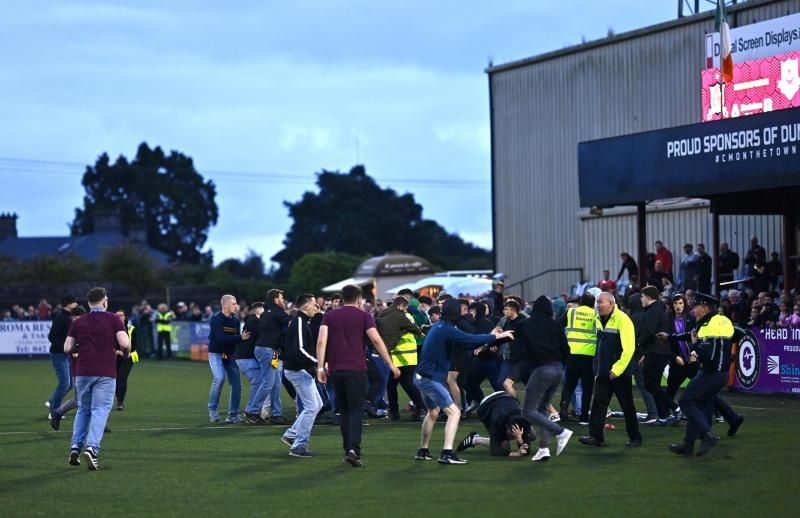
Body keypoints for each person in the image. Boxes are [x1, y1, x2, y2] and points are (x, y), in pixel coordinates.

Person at [413, 299, 513, 465]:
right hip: (430, 379)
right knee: (455, 413)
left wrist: (491, 337)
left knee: (433, 412)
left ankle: (422, 451)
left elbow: (464, 343)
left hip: (421, 376)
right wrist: (496, 336)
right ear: (456, 313)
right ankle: (447, 453)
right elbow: (469, 339)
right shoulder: (447, 329)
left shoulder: (439, 327)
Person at [316, 284, 400, 468]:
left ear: (342, 299)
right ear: (359, 299)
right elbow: (376, 340)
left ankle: (348, 449)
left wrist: (320, 367)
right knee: (355, 410)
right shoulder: (364, 316)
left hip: (336, 371)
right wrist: (390, 363)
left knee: (344, 411)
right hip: (356, 370)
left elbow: (322, 341)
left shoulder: (329, 316)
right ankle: (354, 449)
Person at [669, 293, 743, 457]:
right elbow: (739, 333)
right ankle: (688, 445)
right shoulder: (722, 320)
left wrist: (695, 348)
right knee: (702, 403)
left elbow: (706, 350)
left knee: (686, 401)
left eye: (695, 307)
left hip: (711, 372)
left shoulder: (708, 325)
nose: (693, 310)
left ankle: (707, 436)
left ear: (704, 308)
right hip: (721, 372)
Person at [63, 287, 130, 470]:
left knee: (83, 409)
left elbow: (67, 347)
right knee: (100, 410)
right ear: (105, 301)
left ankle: (75, 448)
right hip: (105, 371)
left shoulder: (79, 322)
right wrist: (126, 353)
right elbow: (124, 343)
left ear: (88, 303)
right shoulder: (114, 319)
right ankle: (92, 449)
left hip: (82, 371)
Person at [514, 296, 573, 462]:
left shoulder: (526, 324)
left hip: (542, 370)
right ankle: (544, 448)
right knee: (542, 408)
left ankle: (560, 432)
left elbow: (514, 337)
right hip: (558, 370)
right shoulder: (555, 325)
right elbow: (566, 350)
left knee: (528, 411)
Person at [580, 292, 641, 448]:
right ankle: (596, 437)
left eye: (601, 302)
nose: (597, 305)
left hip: (619, 373)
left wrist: (617, 369)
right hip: (603, 372)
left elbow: (629, 349)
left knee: (627, 406)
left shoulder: (623, 320)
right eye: (597, 303)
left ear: (611, 304)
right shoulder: (598, 319)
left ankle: (635, 438)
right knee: (599, 404)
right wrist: (597, 370)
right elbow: (599, 347)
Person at [280, 294, 324, 458]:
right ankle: (298, 446)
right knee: (312, 406)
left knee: (317, 404)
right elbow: (300, 349)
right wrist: (318, 364)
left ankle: (292, 435)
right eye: (314, 305)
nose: (316, 308)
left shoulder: (302, 321)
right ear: (306, 307)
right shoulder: (299, 321)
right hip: (297, 370)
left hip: (300, 370)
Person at [376, 296, 426, 421]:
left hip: (404, 355)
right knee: (396, 384)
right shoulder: (403, 316)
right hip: (401, 355)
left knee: (402, 383)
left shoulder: (403, 316)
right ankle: (412, 409)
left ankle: (419, 408)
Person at [637, 286, 677, 425]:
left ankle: (675, 408)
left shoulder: (652, 312)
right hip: (659, 352)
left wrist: (638, 344)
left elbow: (649, 332)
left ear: (648, 297)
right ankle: (664, 417)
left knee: (651, 385)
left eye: (642, 296)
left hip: (656, 352)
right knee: (654, 385)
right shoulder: (660, 310)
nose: (641, 299)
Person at [207, 294, 250, 424]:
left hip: (230, 354)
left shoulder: (236, 320)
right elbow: (221, 339)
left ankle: (232, 415)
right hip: (216, 353)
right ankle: (212, 409)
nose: (236, 306)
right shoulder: (216, 319)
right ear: (225, 305)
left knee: (237, 385)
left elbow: (235, 340)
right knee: (219, 378)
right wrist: (240, 338)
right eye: (233, 303)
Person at [456, 391, 534, 458]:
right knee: (505, 448)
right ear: (506, 427)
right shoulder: (496, 422)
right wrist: (516, 453)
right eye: (510, 435)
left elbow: (526, 451)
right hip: (487, 405)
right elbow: (495, 451)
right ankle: (475, 439)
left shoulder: (525, 423)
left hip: (508, 398)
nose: (512, 438)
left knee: (532, 436)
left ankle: (526, 435)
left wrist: (520, 440)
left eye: (514, 436)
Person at [560, 292, 596, 424]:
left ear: (580, 302)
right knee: (587, 387)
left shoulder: (571, 312)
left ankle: (564, 405)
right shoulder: (595, 314)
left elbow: (559, 326)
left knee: (569, 383)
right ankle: (584, 417)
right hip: (589, 356)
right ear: (593, 304)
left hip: (572, 354)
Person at [255, 289, 291, 424]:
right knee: (268, 383)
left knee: (275, 383)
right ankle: (252, 411)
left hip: (269, 350)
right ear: (276, 299)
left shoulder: (267, 312)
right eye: (282, 298)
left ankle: (276, 414)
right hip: (267, 350)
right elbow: (290, 323)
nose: (283, 300)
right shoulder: (276, 311)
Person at [47, 294, 78, 419]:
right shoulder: (61, 316)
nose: (76, 304)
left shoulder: (68, 316)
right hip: (59, 354)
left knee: (70, 384)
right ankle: (53, 411)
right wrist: (65, 347)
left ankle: (52, 401)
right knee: (65, 384)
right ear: (68, 304)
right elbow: (51, 336)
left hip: (65, 354)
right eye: (74, 302)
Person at [237, 302, 265, 424]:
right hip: (246, 358)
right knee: (258, 382)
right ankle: (250, 412)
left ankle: (252, 411)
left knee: (259, 382)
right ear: (258, 310)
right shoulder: (254, 321)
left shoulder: (251, 320)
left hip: (246, 358)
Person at [665, 294, 696, 404]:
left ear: (684, 305)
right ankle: (665, 414)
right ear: (672, 305)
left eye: (681, 303)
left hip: (693, 361)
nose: (678, 306)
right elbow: (665, 343)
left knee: (703, 387)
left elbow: (698, 339)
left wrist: (694, 353)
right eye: (676, 303)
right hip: (677, 362)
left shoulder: (692, 319)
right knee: (670, 390)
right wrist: (674, 357)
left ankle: (717, 413)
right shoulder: (667, 320)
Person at [114, 309, 138, 411]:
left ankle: (120, 402)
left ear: (125, 317)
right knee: (114, 380)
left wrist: (125, 353)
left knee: (122, 379)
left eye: (121, 315)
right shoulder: (111, 328)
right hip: (114, 357)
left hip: (128, 357)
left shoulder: (131, 328)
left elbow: (135, 344)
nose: (119, 317)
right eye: (117, 315)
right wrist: (115, 351)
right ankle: (118, 398)